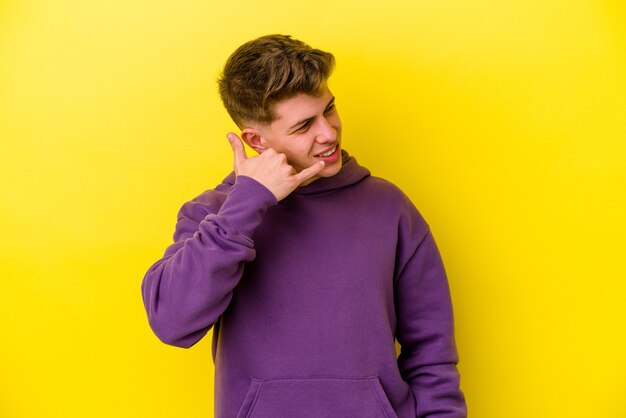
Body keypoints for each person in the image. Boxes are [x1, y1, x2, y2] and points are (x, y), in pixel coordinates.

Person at [141, 34, 467, 418]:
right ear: (255, 141)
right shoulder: (216, 214)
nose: (328, 133)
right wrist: (246, 204)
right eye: (304, 126)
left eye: (329, 109)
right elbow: (171, 322)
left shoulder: (388, 208)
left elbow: (433, 359)